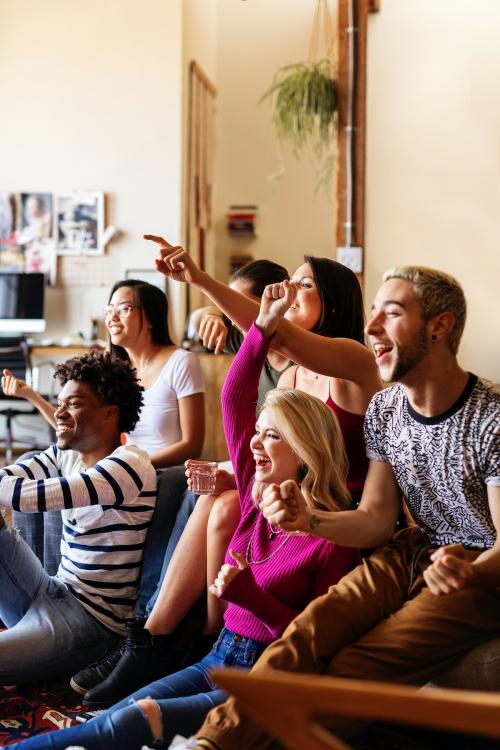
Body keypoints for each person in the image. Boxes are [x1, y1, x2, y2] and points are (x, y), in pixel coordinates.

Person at [11, 283, 360, 750]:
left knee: (125, 727)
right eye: (256, 433)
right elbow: (235, 399)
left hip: (266, 674)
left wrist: (247, 595)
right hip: (215, 658)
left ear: (306, 451)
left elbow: (312, 646)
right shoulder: (259, 501)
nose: (253, 444)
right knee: (106, 721)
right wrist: (262, 323)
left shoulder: (332, 536)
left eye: (271, 436)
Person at [169, 265, 500, 750]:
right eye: (372, 315)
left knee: (359, 664)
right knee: (310, 630)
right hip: (407, 550)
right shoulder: (387, 412)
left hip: (476, 567)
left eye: (391, 313)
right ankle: (210, 744)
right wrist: (311, 520)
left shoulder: (491, 418)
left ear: (439, 326)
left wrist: (467, 572)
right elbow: (375, 519)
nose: (371, 329)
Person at [75, 239, 382, 709]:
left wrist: (199, 279)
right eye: (291, 282)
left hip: (334, 508)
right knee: (200, 493)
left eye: (305, 286)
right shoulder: (296, 377)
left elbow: (273, 338)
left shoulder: (353, 361)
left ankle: (181, 636)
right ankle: (156, 633)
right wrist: (234, 472)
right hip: (284, 491)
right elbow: (253, 414)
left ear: (334, 303)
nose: (290, 290)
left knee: (219, 506)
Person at [2, 278, 205, 575]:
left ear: (150, 317)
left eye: (124, 308)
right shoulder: (117, 370)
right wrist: (30, 395)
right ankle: (39, 577)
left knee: (70, 480)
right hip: (112, 467)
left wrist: (130, 464)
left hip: (145, 473)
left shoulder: (181, 362)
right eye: (109, 309)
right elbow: (73, 428)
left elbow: (192, 445)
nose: (112, 316)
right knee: (30, 462)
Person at [0, 351, 157, 686]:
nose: (58, 412)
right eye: (59, 402)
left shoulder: (130, 465)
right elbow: (7, 478)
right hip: (49, 588)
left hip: (91, 624)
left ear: (109, 414)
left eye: (72, 403)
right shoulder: (64, 455)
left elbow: (29, 497)